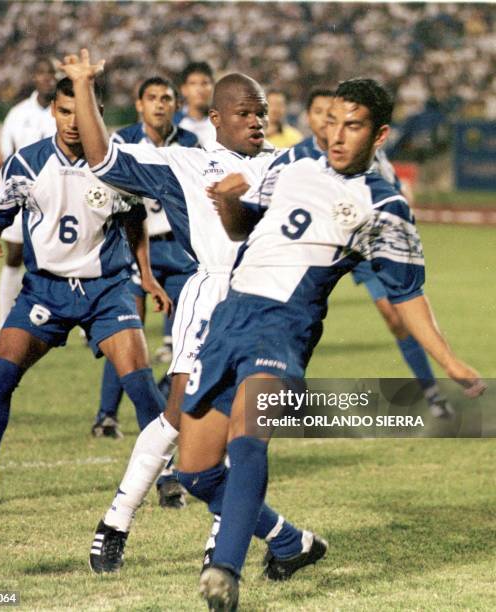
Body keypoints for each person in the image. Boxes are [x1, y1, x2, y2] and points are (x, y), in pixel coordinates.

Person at [176, 78, 487, 610]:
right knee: (196, 472)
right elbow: (245, 229)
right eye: (333, 122)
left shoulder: (383, 205)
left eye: (354, 125)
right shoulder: (291, 167)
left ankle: (224, 573)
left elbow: (408, 294)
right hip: (229, 319)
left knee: (248, 439)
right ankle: (289, 541)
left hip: (285, 328)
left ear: (380, 134)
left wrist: (449, 361)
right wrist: (229, 203)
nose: (337, 135)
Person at [61, 50, 320, 579]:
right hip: (211, 298)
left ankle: (223, 545)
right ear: (216, 117)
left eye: (262, 111)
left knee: (241, 432)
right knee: (180, 419)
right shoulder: (185, 162)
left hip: (271, 305)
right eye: (245, 112)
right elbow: (102, 158)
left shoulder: (285, 164)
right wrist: (84, 85)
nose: (256, 120)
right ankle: (118, 519)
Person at [0, 77, 171, 508]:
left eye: (82, 112)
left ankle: (167, 480)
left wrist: (145, 276)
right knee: (0, 374)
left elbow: (134, 223)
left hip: (106, 290)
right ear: (53, 111)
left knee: (141, 382)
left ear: (98, 114)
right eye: (64, 111)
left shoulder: (117, 166)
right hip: (45, 291)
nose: (73, 122)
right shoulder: (27, 164)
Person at [304, 86, 454, 418]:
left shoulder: (369, 154)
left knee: (397, 317)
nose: (330, 125)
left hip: (364, 242)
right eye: (322, 115)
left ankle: (431, 391)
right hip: (315, 248)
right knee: (299, 322)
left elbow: (391, 190)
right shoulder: (299, 158)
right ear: (310, 118)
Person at [92, 75, 198, 508]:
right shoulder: (123, 141)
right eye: (152, 97)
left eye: (166, 98)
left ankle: (166, 414)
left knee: (181, 341)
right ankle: (106, 413)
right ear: (139, 104)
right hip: (139, 248)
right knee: (128, 330)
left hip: (180, 247)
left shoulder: (190, 141)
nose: (160, 104)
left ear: (175, 104)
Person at [0, 57, 57, 343]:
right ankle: (3, 324)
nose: (48, 77)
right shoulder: (17, 113)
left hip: (55, 198)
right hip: (22, 196)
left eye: (52, 72)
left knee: (56, 259)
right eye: (42, 72)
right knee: (13, 257)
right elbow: (6, 154)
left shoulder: (61, 110)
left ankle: (66, 324)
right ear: (34, 77)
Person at [174, 61, 216, 148]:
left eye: (205, 83)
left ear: (213, 87)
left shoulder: (223, 123)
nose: (199, 90)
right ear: (184, 89)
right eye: (193, 83)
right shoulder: (173, 123)